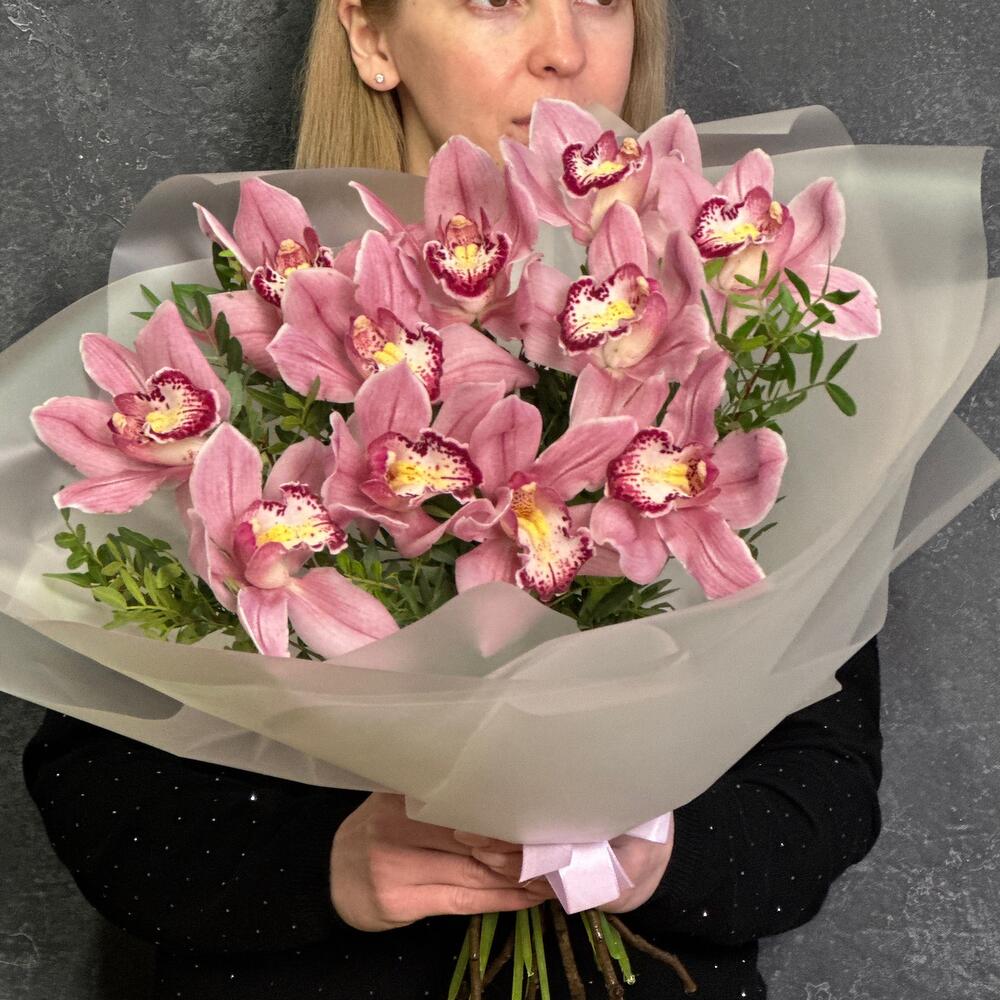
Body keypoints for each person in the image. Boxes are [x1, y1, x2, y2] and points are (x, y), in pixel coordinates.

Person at [22, 1, 885, 997]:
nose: (564, 50)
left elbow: (828, 783)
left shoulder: (738, 361)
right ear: (370, 34)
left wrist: (660, 851)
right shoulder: (233, 350)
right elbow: (95, 792)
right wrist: (330, 865)